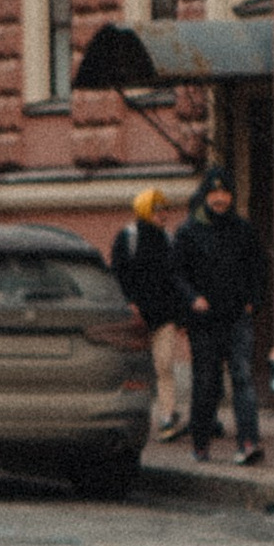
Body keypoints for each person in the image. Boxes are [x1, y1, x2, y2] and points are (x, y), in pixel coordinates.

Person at [176, 175, 266, 464]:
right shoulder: (189, 231)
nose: (220, 199)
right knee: (207, 382)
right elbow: (176, 274)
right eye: (215, 194)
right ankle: (201, 444)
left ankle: (249, 442)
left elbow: (259, 266)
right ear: (205, 196)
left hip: (237, 316)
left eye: (226, 193)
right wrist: (192, 299)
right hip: (204, 321)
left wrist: (254, 300)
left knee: (242, 378)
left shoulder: (242, 229)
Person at [109, 186, 184, 439]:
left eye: (165, 209)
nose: (163, 214)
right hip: (136, 318)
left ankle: (167, 417)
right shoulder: (128, 238)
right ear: (144, 210)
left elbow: (177, 280)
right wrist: (129, 303)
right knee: (135, 371)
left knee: (164, 367)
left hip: (164, 318)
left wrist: (180, 317)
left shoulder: (169, 240)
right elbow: (118, 275)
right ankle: (130, 419)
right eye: (157, 209)